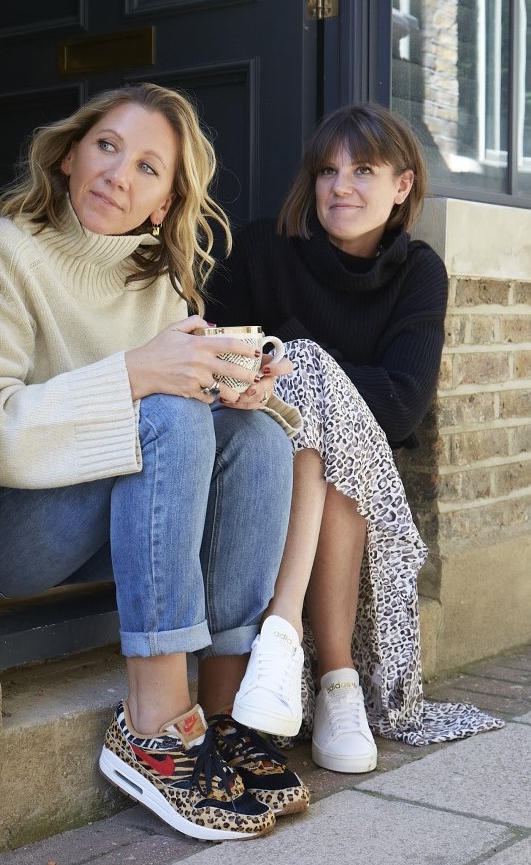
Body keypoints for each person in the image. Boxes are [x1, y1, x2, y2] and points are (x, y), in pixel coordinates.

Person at [0, 83, 309, 842]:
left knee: (253, 436)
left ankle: (219, 713)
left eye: (149, 167)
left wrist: (242, 397)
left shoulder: (156, 283)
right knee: (163, 407)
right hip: (3, 534)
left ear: (163, 204)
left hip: (98, 523)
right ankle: (154, 720)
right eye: (108, 146)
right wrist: (136, 375)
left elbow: (180, 435)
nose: (120, 172)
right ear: (68, 155)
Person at [206, 102, 504, 774]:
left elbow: (401, 404)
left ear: (402, 186)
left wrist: (299, 378)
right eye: (327, 170)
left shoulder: (419, 272)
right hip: (263, 469)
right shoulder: (261, 251)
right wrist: (285, 383)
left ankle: (290, 647)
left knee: (309, 370)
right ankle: (335, 676)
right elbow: (215, 364)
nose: (340, 185)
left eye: (363, 169)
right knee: (307, 372)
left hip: (364, 505)